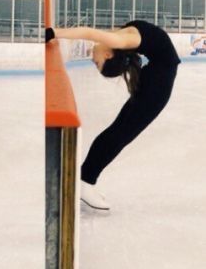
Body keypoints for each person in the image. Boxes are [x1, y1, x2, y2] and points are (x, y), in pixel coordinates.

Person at [46, 21, 180, 210]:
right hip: (156, 80)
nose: (93, 58)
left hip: (158, 84)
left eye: (97, 62)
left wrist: (53, 32)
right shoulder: (121, 40)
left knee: (120, 133)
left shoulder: (119, 39)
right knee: (119, 133)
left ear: (109, 54)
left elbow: (89, 32)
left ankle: (86, 179)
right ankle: (86, 180)